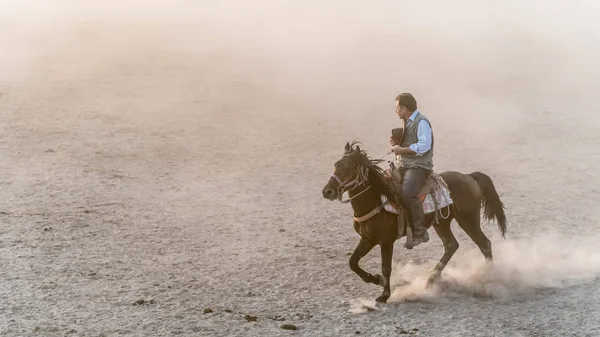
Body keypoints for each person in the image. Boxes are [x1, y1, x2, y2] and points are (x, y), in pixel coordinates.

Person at [389, 93, 433, 247]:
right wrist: (397, 142)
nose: (396, 111)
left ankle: (420, 231)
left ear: (404, 108)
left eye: (397, 108)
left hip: (419, 166)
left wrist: (402, 150)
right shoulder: (406, 121)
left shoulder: (422, 122)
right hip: (404, 165)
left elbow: (424, 145)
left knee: (407, 192)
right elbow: (410, 141)